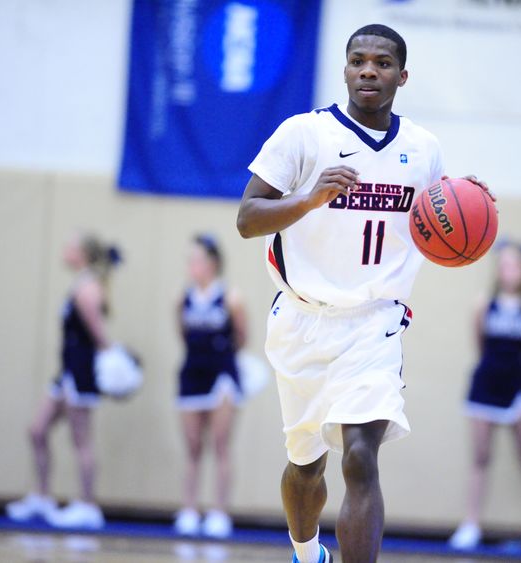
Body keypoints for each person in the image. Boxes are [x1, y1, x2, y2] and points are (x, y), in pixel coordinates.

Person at [236, 24, 492, 563]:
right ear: (345, 69)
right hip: (302, 318)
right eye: (358, 61)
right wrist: (309, 199)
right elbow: (247, 218)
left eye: (380, 62)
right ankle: (307, 554)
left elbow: (441, 213)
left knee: (360, 456)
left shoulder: (423, 149)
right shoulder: (303, 135)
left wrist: (470, 202)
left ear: (402, 76)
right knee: (305, 465)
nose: (368, 70)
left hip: (375, 320)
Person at [448, 241, 521, 555]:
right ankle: (471, 525)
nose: (509, 270)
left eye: (515, 265)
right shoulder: (484, 302)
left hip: (520, 385)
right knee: (480, 457)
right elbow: (479, 345)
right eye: (504, 265)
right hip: (486, 385)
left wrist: (520, 375)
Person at [6, 232, 122, 529]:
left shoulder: (88, 289)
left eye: (70, 246)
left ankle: (87, 505)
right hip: (66, 372)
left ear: (82, 254)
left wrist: (114, 366)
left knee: (81, 439)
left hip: (81, 372)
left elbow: (99, 337)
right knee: (37, 430)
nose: (65, 250)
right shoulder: (81, 283)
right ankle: (42, 496)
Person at [173, 234, 248, 538]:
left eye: (198, 259)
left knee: (220, 444)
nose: (192, 265)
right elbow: (182, 333)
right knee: (192, 446)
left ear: (213, 263)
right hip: (192, 375)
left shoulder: (231, 297)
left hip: (222, 376)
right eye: (189, 260)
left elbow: (242, 336)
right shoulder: (182, 298)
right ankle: (189, 508)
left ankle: (219, 511)